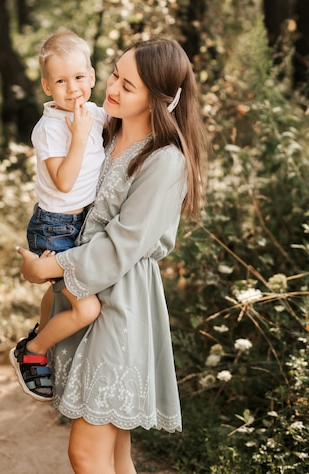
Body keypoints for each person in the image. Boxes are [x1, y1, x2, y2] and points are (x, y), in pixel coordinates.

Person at [16, 37, 208, 474]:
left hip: (123, 303)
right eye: (116, 73)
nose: (114, 87)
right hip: (88, 294)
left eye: (130, 85)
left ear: (161, 100)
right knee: (115, 452)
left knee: (86, 453)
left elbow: (125, 243)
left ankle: (31, 347)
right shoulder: (105, 131)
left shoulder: (165, 160)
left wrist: (51, 266)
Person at [9, 29, 106, 402]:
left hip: (83, 223)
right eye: (62, 81)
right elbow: (64, 183)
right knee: (87, 308)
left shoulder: (94, 114)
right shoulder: (49, 128)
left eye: (80, 78)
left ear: (92, 77)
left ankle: (42, 333)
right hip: (55, 226)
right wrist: (79, 136)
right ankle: (32, 352)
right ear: (47, 87)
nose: (73, 88)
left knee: (57, 292)